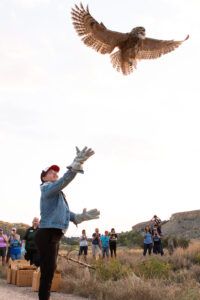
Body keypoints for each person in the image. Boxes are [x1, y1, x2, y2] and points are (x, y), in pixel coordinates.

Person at [35, 146, 100, 300]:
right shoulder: (47, 189)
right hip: (47, 234)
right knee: (48, 272)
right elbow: (64, 180)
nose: (55, 174)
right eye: (51, 172)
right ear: (44, 178)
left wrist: (79, 217)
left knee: (50, 269)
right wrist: (75, 165)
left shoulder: (57, 194)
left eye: (56, 172)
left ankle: (37, 260)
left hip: (53, 236)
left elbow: (65, 213)